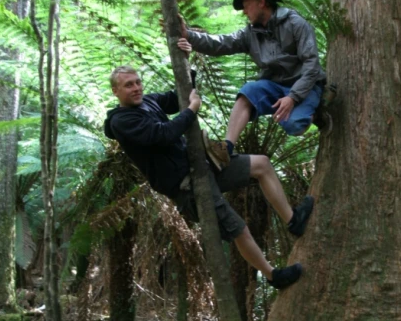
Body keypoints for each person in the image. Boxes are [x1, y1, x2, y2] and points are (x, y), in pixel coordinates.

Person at [104, 66, 315, 290]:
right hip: (188, 187)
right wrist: (192, 110)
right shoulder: (122, 122)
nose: (136, 88)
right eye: (129, 85)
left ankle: (293, 221)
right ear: (116, 91)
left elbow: (178, 98)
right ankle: (273, 276)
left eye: (138, 82)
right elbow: (163, 135)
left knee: (261, 164)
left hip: (202, 165)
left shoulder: (149, 101)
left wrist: (188, 67)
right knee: (238, 229)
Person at [178, 0, 327, 168]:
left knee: (294, 125)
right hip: (275, 86)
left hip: (306, 85)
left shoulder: (295, 23)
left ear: (261, 2)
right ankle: (227, 149)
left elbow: (312, 64)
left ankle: (318, 110)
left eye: (246, 5)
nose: (244, 11)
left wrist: (293, 97)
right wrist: (188, 35)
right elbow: (221, 43)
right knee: (248, 91)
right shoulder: (250, 33)